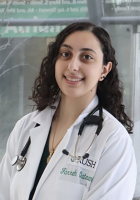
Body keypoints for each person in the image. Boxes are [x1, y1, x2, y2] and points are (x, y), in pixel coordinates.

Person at [0, 22, 137, 200]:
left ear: (104, 69)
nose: (73, 66)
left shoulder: (113, 140)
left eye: (86, 57)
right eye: (66, 54)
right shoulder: (25, 127)